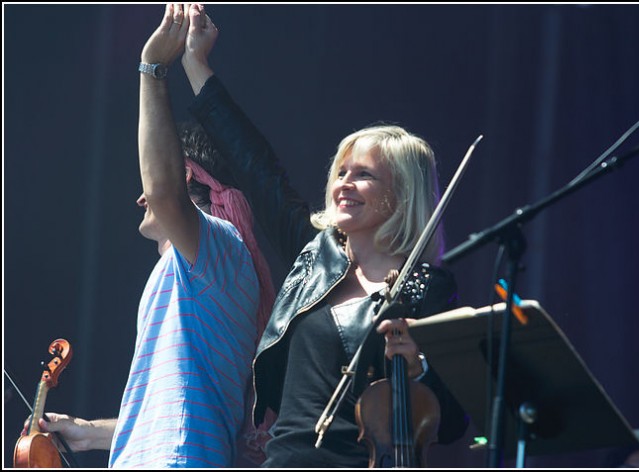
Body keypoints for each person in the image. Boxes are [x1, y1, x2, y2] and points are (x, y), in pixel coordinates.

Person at [174, 4, 469, 467]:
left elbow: (452, 422)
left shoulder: (426, 289)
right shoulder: (315, 256)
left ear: (403, 195)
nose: (343, 183)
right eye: (341, 171)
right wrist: (196, 66)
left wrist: (418, 367)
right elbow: (256, 166)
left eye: (364, 175)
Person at [22, 5, 275, 467]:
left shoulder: (222, 246)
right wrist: (92, 432)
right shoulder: (196, 267)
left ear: (186, 177)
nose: (142, 198)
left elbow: (163, 195)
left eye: (156, 183)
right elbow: (174, 403)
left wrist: (153, 69)